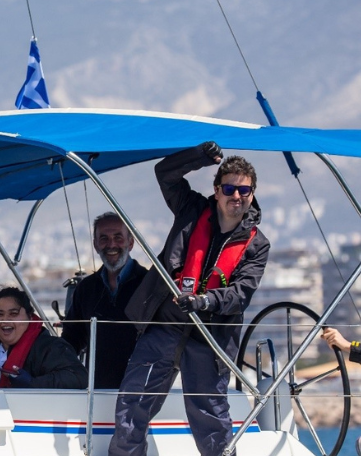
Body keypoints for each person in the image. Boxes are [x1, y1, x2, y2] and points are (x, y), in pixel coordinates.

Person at [109, 142, 270, 456]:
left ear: (252, 194)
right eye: (229, 189)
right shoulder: (190, 208)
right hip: (165, 327)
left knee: (211, 420)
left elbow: (241, 294)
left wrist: (204, 301)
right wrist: (198, 157)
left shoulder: (258, 245)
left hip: (210, 340)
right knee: (133, 405)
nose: (236, 196)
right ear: (216, 190)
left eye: (244, 191)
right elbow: (164, 173)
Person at [61, 212, 148, 389]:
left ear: (131, 242)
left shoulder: (150, 285)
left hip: (143, 391)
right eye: (104, 238)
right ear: (95, 245)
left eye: (118, 237)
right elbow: (72, 338)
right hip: (97, 391)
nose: (111, 244)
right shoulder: (86, 289)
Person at [0, 287, 87, 389]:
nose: (5, 320)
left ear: (29, 317)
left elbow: (79, 376)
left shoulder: (48, 347)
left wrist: (32, 383)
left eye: (13, 314)